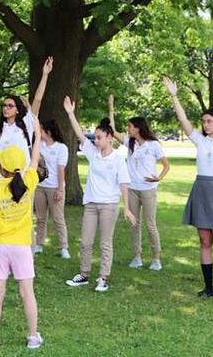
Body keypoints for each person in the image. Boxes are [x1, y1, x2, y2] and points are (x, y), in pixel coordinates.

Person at [164, 77, 213, 298]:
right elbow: (183, 120)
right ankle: (208, 287)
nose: (205, 124)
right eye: (203, 121)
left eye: (209, 121)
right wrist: (174, 96)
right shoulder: (200, 140)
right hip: (201, 191)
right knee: (205, 241)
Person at [0, 125, 44, 350]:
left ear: (2, 168)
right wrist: (37, 135)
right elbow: (34, 159)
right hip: (22, 247)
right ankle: (33, 337)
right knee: (27, 293)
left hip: (0, 246)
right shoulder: (28, 182)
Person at [63, 98, 136, 292]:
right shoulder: (92, 152)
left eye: (99, 137)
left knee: (105, 243)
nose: (95, 141)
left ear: (109, 137)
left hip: (109, 206)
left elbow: (124, 184)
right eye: (95, 137)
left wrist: (127, 208)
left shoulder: (118, 159)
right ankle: (84, 274)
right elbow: (79, 134)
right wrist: (70, 113)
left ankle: (103, 277)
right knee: (85, 242)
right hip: (91, 205)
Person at [108, 94, 169, 270]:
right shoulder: (130, 142)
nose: (127, 129)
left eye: (129, 126)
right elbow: (112, 130)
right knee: (134, 224)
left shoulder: (153, 145)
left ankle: (156, 259)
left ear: (137, 128)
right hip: (132, 189)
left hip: (148, 189)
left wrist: (159, 177)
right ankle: (137, 256)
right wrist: (111, 108)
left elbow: (166, 165)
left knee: (150, 224)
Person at [0, 57, 52, 177]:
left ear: (17, 110)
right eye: (4, 105)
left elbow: (38, 99)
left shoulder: (26, 123)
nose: (6, 108)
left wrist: (45, 74)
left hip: (24, 179)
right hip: (5, 180)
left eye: (10, 106)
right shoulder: (0, 130)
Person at [32, 118, 69, 259]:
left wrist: (60, 189)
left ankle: (64, 247)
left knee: (58, 218)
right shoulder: (39, 145)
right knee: (40, 218)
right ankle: (39, 244)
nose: (39, 132)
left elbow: (61, 170)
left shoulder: (61, 148)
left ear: (48, 132)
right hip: (40, 186)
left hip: (54, 187)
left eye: (41, 130)